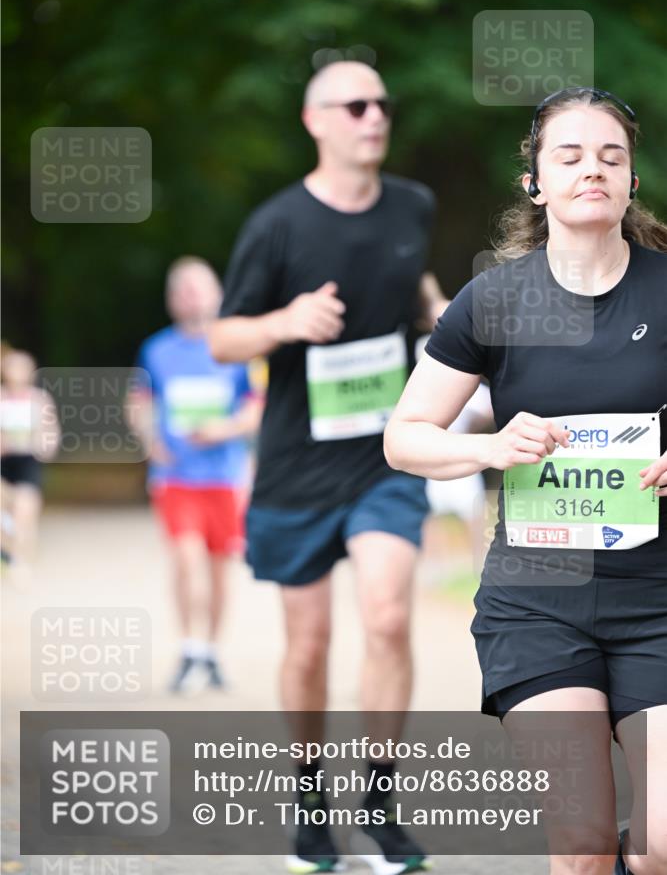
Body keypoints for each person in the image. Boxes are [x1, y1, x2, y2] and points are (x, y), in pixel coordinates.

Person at [384, 87, 667, 875]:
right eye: (568, 157)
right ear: (535, 183)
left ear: (631, 181)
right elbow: (404, 438)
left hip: (658, 600)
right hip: (537, 604)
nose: (591, 170)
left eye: (610, 157)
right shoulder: (495, 300)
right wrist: (488, 447)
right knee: (580, 844)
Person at [209, 60, 447, 874]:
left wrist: (441, 313)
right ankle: (310, 803)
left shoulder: (413, 205)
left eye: (382, 102)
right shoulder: (276, 224)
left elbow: (414, 282)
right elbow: (223, 337)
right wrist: (285, 320)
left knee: (386, 617)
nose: (373, 115)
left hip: (386, 454)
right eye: (354, 104)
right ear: (315, 121)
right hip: (296, 465)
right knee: (307, 644)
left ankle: (378, 806)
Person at [127, 257, 262, 693]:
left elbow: (256, 408)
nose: (191, 297)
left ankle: (211, 651)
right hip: (175, 476)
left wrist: (224, 429)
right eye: (182, 290)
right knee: (186, 560)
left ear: (217, 294)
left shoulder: (236, 348)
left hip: (225, 476)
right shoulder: (155, 349)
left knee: (221, 570)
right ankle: (188, 647)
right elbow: (139, 402)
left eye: (198, 288)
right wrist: (149, 439)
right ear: (171, 300)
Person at [0, 349, 60, 588]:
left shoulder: (39, 399)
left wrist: (43, 446)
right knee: (5, 518)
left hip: (28, 462)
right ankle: (8, 554)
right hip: (3, 464)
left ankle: (21, 563)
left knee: (25, 513)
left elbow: (51, 432)